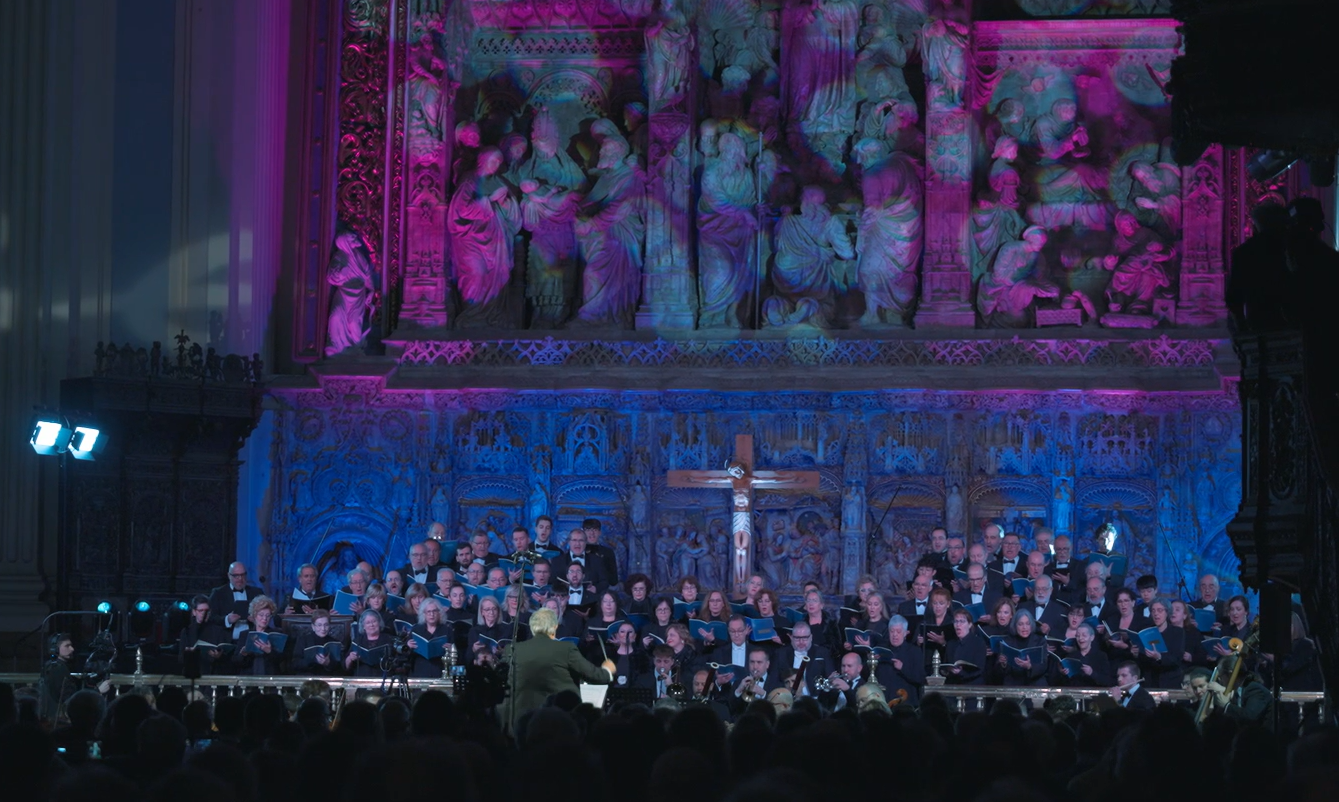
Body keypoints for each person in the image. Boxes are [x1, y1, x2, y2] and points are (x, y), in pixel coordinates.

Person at [502, 607, 615, 733]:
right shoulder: (566, 648)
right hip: (561, 720)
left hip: (522, 722)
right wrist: (608, 670)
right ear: (554, 627)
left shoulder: (511, 649)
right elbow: (593, 675)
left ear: (532, 627)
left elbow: (502, 680)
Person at [41, 633, 112, 722]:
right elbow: (69, 698)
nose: (72, 649)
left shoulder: (55, 665)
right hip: (59, 720)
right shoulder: (56, 668)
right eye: (67, 646)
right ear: (55, 649)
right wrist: (98, 691)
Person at [232, 596, 287, 676]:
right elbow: (236, 662)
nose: (265, 618)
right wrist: (243, 654)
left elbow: (282, 660)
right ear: (254, 616)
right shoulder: (245, 634)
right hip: (249, 678)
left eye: (268, 615)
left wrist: (269, 651)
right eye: (261, 615)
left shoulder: (276, 633)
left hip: (270, 677)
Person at [208, 562, 264, 639]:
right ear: (229, 575)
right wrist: (227, 619)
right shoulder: (218, 593)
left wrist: (256, 619)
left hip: (252, 640)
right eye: (236, 576)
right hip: (226, 640)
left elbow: (267, 614)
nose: (240, 579)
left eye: (243, 575)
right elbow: (211, 617)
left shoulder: (257, 593)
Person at [179, 594, 231, 676]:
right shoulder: (187, 631)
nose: (204, 613)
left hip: (213, 674)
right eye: (201, 610)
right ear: (194, 612)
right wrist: (189, 653)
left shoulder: (218, 631)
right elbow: (181, 658)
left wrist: (218, 656)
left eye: (207, 611)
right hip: (193, 672)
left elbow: (226, 657)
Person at [1056, 622, 1112, 687]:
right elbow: (1064, 683)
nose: (1080, 638)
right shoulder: (1071, 656)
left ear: (1092, 637)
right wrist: (1063, 674)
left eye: (1084, 635)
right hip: (1075, 691)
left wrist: (1092, 673)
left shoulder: (1101, 656)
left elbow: (1107, 681)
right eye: (1078, 636)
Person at [344, 609, 394, 677]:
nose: (371, 625)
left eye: (374, 621)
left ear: (379, 623)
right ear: (363, 626)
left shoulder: (388, 639)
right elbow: (346, 666)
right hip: (361, 677)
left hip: (383, 677)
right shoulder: (357, 641)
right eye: (368, 622)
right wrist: (350, 658)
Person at [294, 609, 344, 675]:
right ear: (313, 627)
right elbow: (295, 664)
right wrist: (312, 660)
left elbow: (341, 668)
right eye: (319, 625)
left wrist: (328, 663)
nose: (323, 629)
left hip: (327, 677)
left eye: (326, 625)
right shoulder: (303, 640)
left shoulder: (335, 642)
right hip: (307, 676)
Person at [943, 609, 986, 685]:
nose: (958, 624)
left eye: (962, 621)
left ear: (969, 624)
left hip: (972, 685)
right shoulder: (951, 644)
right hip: (953, 685)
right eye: (956, 621)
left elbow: (980, 669)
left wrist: (961, 673)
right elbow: (946, 665)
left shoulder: (978, 643)